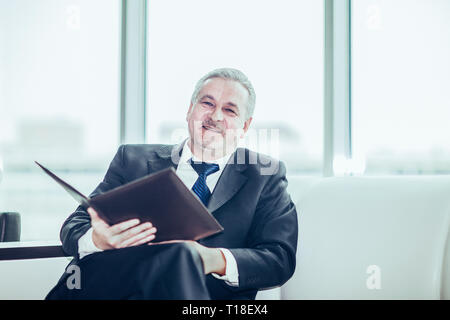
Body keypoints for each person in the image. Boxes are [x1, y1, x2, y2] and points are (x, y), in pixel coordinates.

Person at [46, 68, 298, 300]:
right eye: (207, 103)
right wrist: (99, 241)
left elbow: (279, 259)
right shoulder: (132, 160)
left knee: (181, 255)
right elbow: (74, 226)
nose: (215, 116)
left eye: (230, 110)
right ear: (190, 110)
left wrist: (210, 259)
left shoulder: (266, 175)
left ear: (244, 126)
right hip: (113, 287)